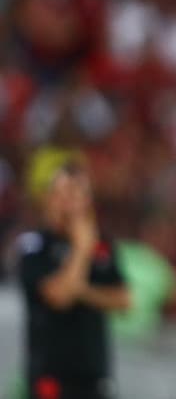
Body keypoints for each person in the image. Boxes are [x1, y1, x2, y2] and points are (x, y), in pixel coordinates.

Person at [15, 151, 130, 399]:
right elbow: (57, 296)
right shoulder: (35, 245)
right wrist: (80, 249)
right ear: (49, 199)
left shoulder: (104, 244)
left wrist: (81, 290)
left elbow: (123, 299)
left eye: (77, 194)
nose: (70, 203)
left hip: (94, 376)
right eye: (63, 194)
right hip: (51, 378)